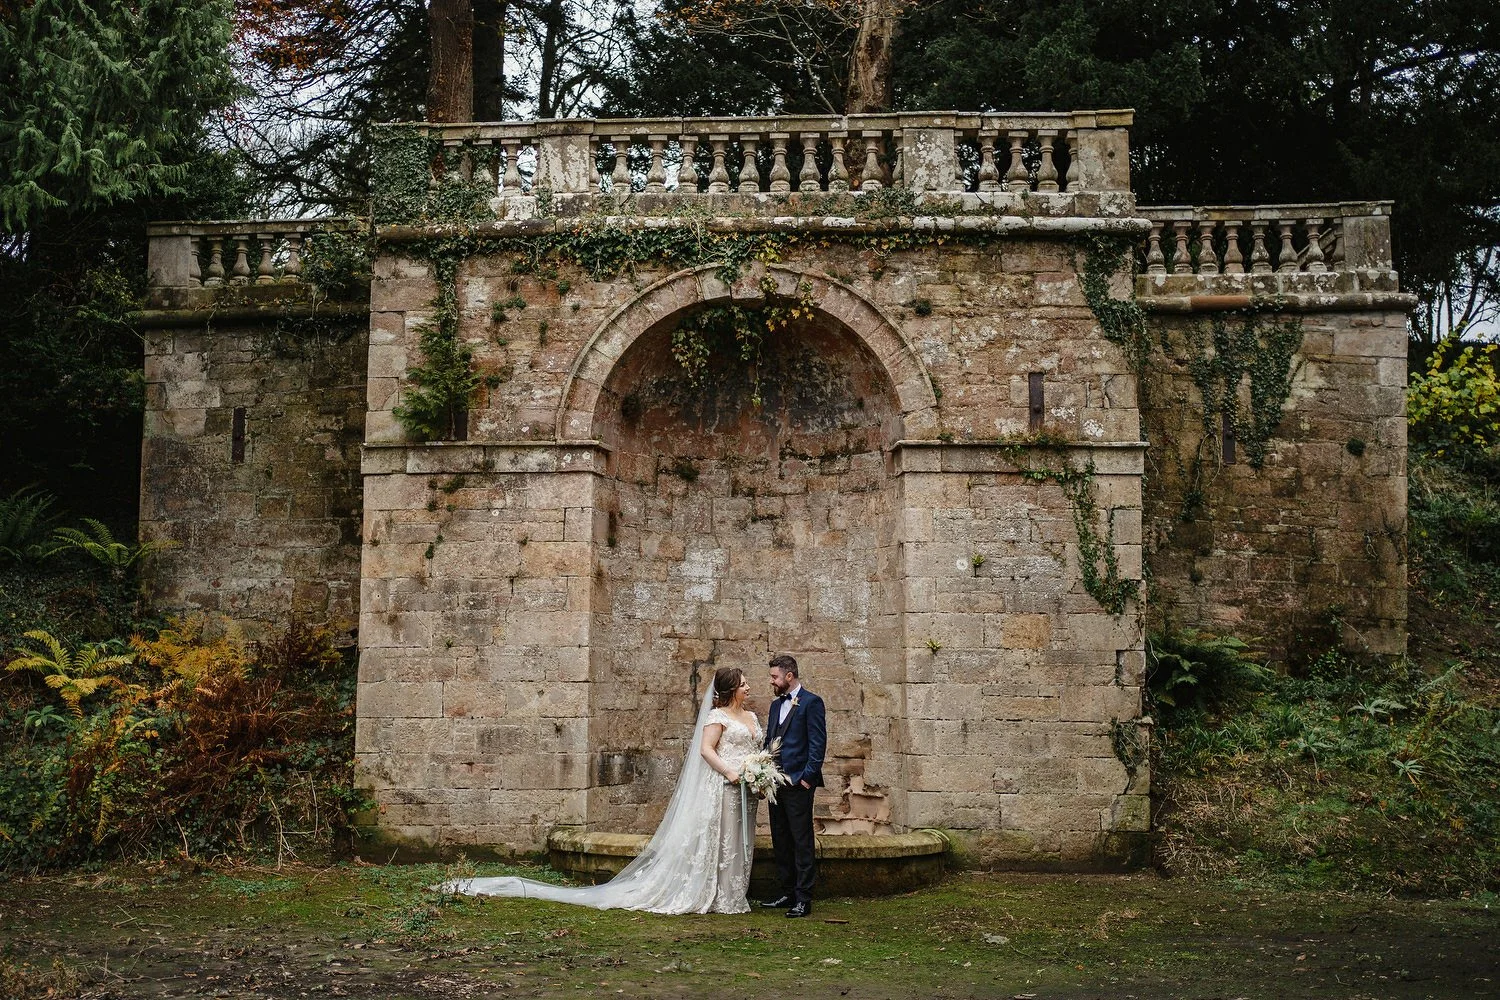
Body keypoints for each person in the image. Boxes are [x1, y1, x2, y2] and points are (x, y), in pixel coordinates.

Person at [446, 666, 763, 914]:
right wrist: (731, 772)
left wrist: (757, 774)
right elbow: (707, 751)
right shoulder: (717, 716)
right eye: (744, 683)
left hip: (746, 788)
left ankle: (732, 896)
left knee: (737, 839)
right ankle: (712, 894)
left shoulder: (750, 716)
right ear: (732, 689)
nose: (749, 687)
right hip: (723, 784)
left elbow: (754, 748)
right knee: (718, 838)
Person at [760, 654, 826, 918]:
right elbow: (770, 740)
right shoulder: (776, 706)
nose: (772, 682)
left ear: (789, 676)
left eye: (775, 677)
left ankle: (803, 898)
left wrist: (806, 778)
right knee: (781, 838)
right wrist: (764, 771)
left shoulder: (812, 702)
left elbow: (817, 744)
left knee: (801, 840)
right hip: (775, 784)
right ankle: (787, 892)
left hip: (799, 783)